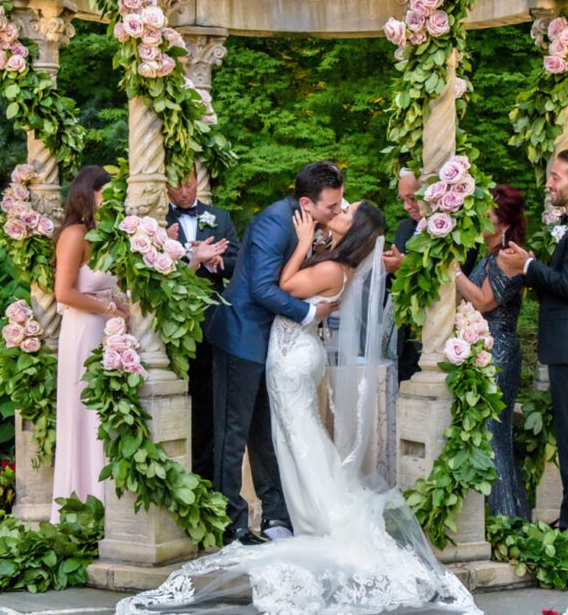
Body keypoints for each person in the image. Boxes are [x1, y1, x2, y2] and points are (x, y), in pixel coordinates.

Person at [117, 200, 480, 615]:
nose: (339, 210)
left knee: (296, 431)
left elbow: (286, 285)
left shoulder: (331, 267)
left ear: (355, 229)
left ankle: (307, 515)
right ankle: (287, 513)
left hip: (293, 355)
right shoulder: (336, 262)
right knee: (293, 432)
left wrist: (303, 242)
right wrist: (310, 245)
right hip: (295, 349)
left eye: (347, 210)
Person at [204, 160, 345, 546]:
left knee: (265, 432)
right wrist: (310, 312)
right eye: (331, 206)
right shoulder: (273, 223)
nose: (336, 212)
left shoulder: (306, 224)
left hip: (273, 345)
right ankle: (230, 524)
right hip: (242, 336)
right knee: (233, 434)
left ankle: (274, 517)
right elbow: (263, 289)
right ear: (306, 202)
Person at [498, 149, 568, 540]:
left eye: (556, 177)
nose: (549, 184)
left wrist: (527, 267)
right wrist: (529, 264)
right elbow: (563, 277)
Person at [51, 165, 127, 523]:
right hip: (83, 331)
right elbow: (63, 291)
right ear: (88, 193)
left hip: (106, 330)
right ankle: (79, 501)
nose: (110, 200)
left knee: (100, 415)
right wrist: (107, 308)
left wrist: (119, 307)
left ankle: (105, 503)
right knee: (84, 413)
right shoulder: (75, 233)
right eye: (104, 193)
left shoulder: (102, 236)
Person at [453, 184, 532, 520]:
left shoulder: (508, 256)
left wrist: (453, 272)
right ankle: (500, 516)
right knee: (489, 435)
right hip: (485, 350)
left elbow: (485, 301)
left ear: (502, 225)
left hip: (498, 352)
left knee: (493, 435)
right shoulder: (487, 255)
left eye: (485, 217)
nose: (478, 222)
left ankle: (507, 519)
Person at [164, 166, 238, 482]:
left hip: (210, 326)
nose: (185, 191)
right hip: (168, 326)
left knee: (208, 404)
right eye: (178, 185)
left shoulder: (218, 216)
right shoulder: (154, 221)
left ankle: (206, 477)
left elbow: (237, 260)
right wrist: (188, 259)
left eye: (190, 183)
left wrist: (216, 260)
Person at [383, 168, 423, 381]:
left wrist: (403, 265)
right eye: (402, 199)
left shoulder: (455, 230)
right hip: (402, 332)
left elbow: (453, 275)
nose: (407, 206)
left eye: (412, 198)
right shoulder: (404, 227)